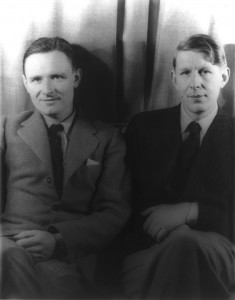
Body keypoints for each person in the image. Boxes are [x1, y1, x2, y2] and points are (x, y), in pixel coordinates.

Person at [0, 37, 130, 299]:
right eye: (36, 79)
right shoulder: (6, 129)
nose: (47, 89)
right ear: (25, 83)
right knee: (7, 256)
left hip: (68, 256)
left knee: (54, 282)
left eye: (57, 77)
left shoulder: (106, 138)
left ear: (76, 78)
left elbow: (115, 211)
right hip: (8, 243)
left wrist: (59, 240)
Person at [120, 34, 235, 299]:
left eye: (205, 71)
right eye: (186, 73)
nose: (195, 83)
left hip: (214, 250)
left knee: (185, 243)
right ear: (174, 79)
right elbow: (122, 199)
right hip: (148, 250)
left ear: (224, 77)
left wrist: (190, 212)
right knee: (179, 247)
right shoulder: (144, 128)